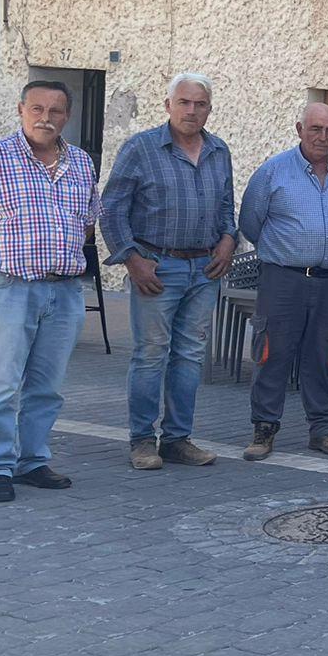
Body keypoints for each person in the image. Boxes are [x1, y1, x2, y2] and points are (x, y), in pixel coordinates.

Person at [0, 79, 99, 504]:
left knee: (47, 387)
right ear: (21, 110)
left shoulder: (81, 163)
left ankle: (32, 461)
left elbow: (88, 222)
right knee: (0, 385)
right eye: (37, 109)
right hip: (8, 289)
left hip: (63, 292)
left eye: (55, 111)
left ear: (67, 116)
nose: (45, 118)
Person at [100, 72, 236, 471]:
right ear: (168, 105)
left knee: (190, 355)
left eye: (200, 104)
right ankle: (142, 441)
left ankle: (177, 439)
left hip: (205, 269)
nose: (191, 110)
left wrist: (229, 239)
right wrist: (131, 259)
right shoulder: (140, 148)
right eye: (184, 102)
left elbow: (226, 206)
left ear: (209, 109)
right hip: (157, 267)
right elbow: (111, 209)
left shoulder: (219, 150)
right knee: (150, 355)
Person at [237, 102, 328, 462]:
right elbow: (250, 223)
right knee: (272, 354)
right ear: (299, 129)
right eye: (315, 129)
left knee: (326, 357)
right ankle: (264, 429)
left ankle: (322, 430)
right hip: (284, 279)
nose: (323, 137)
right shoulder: (273, 172)